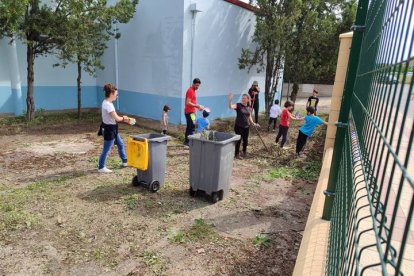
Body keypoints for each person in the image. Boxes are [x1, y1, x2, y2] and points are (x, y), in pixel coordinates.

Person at [98, 83, 132, 173]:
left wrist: (125, 119)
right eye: (116, 94)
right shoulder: (108, 105)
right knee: (107, 149)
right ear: (111, 94)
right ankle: (101, 167)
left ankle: (125, 161)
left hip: (112, 128)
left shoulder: (107, 102)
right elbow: (117, 118)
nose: (117, 95)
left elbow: (115, 118)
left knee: (120, 144)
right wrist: (125, 118)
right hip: (109, 129)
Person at [228, 92, 259, 159]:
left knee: (245, 140)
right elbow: (230, 107)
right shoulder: (238, 105)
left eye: (245, 98)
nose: (243, 99)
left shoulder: (249, 107)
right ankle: (236, 154)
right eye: (242, 98)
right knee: (239, 140)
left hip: (246, 126)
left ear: (248, 99)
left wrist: (252, 123)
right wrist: (230, 100)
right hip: (238, 126)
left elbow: (249, 116)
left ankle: (244, 151)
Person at [184, 78, 204, 147]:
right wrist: (197, 106)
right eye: (196, 85)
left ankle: (187, 142)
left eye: (198, 86)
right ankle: (188, 143)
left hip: (192, 112)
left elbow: (192, 102)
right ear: (193, 84)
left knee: (190, 127)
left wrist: (198, 107)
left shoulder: (193, 90)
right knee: (192, 127)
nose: (197, 87)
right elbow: (188, 103)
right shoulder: (190, 91)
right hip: (189, 113)